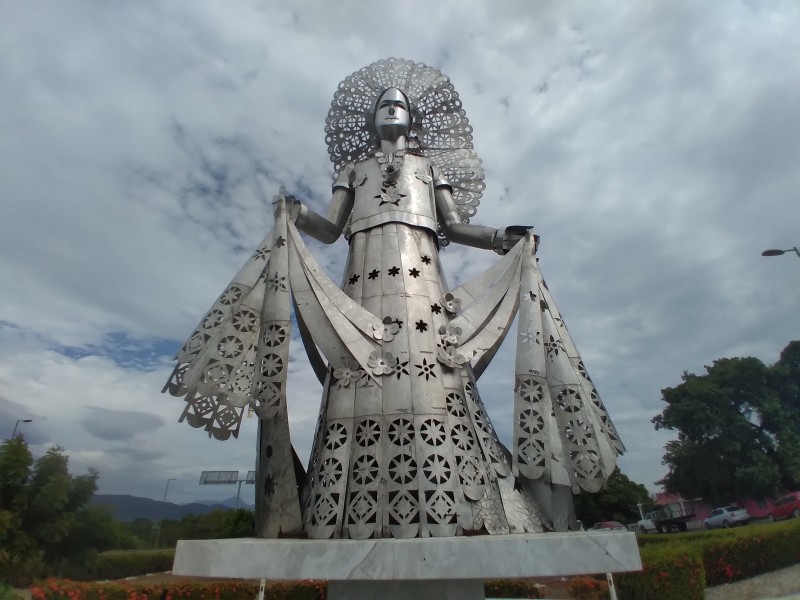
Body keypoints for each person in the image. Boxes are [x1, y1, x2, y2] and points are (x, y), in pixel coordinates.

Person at [164, 59, 623, 540]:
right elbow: (331, 227)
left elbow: (453, 226)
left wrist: (501, 239)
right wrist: (297, 214)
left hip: (424, 280)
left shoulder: (428, 169)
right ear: (371, 119)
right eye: (383, 105)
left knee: (436, 372)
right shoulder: (353, 171)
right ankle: (338, 500)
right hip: (361, 283)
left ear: (411, 118)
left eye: (398, 105)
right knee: (359, 369)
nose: (390, 110)